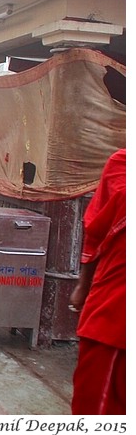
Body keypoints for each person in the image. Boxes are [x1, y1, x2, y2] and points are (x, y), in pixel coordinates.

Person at [69, 149, 125, 415]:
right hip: (114, 313)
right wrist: (83, 284)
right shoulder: (122, 163)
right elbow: (95, 228)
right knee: (95, 406)